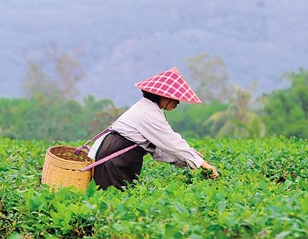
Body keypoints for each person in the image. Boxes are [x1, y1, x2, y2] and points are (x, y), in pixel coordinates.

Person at [88, 67, 219, 190]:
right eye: (175, 99)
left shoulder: (150, 109)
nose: (177, 103)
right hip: (116, 158)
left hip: (119, 155)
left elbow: (158, 149)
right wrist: (203, 165)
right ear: (163, 96)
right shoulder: (149, 113)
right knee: (114, 200)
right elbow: (172, 142)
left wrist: (189, 160)